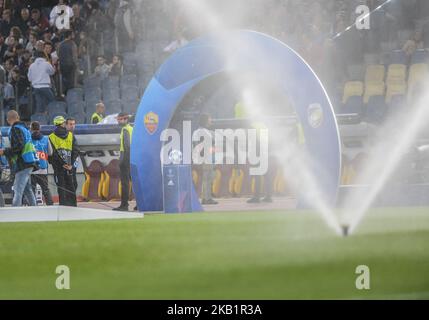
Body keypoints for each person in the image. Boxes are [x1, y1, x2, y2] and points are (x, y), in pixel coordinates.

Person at [0, 110, 37, 207]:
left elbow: (19, 146)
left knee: (17, 189)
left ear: (8, 120)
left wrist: (4, 152)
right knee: (27, 189)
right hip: (29, 161)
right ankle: (35, 209)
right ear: (18, 117)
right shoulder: (25, 128)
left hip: (22, 163)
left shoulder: (15, 129)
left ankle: (15, 212)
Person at [48, 115, 79, 206]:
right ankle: (73, 206)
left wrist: (62, 164)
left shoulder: (51, 137)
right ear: (63, 123)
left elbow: (52, 155)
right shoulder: (70, 135)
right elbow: (76, 151)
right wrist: (70, 164)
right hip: (70, 167)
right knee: (72, 186)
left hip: (58, 168)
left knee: (61, 187)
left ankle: (63, 206)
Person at [194, 113, 218, 205]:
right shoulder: (204, 132)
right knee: (208, 178)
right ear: (205, 121)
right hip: (206, 158)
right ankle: (207, 198)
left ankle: (205, 197)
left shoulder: (197, 131)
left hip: (201, 157)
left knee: (206, 178)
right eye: (209, 119)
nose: (210, 121)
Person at [30, 121, 53, 205]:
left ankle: (31, 206)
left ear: (31, 129)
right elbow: (50, 152)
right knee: (46, 189)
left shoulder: (28, 139)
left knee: (31, 189)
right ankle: (50, 205)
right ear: (39, 128)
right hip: (43, 168)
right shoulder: (46, 138)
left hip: (31, 168)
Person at [113, 112, 133, 211]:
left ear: (125, 119)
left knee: (125, 183)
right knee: (134, 182)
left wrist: (123, 161)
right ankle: (139, 203)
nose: (118, 121)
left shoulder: (125, 130)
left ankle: (124, 205)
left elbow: (127, 146)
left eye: (120, 119)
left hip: (125, 159)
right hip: (130, 159)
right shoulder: (131, 129)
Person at [58, 30, 78, 94]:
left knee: (64, 84)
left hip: (62, 66)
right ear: (69, 35)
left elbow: (58, 55)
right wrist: (77, 65)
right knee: (72, 85)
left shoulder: (60, 44)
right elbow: (74, 56)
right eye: (72, 34)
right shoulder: (72, 44)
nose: (74, 36)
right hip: (71, 66)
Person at [65, 117, 78, 192]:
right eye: (70, 124)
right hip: (66, 162)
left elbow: (75, 150)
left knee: (74, 181)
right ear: (66, 125)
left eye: (73, 124)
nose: (72, 126)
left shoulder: (72, 134)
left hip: (73, 162)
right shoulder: (65, 135)